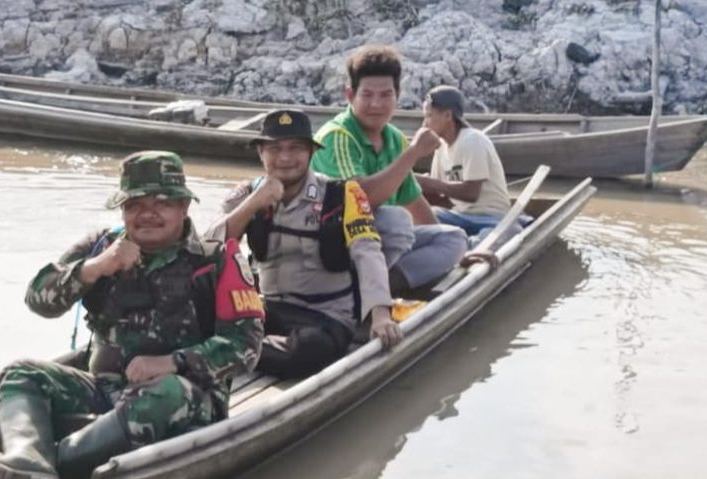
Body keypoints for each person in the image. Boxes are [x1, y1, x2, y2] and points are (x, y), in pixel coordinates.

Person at [0, 151, 264, 479]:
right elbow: (38, 299)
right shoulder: (102, 245)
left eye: (161, 202)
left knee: (164, 394)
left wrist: (173, 362)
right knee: (20, 372)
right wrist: (95, 268)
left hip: (186, 398)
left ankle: (55, 466)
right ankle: (28, 462)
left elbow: (246, 346)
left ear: (183, 207)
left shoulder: (217, 258)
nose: (147, 213)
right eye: (134, 204)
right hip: (104, 390)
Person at [210, 109, 413, 380]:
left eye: (295, 148)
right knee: (199, 320)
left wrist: (380, 315)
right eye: (274, 148)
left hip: (325, 316)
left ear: (311, 152)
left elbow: (368, 253)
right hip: (267, 307)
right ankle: (250, 347)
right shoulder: (247, 194)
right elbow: (207, 248)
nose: (284, 158)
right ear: (260, 153)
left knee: (307, 352)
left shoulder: (343, 194)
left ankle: (237, 350)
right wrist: (254, 203)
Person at [311, 44, 468, 293]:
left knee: (453, 238)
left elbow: (414, 201)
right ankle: (363, 291)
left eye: (385, 95)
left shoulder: (394, 138)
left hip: (378, 242)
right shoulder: (336, 136)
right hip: (335, 241)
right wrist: (414, 153)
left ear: (397, 95)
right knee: (396, 220)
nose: (376, 104)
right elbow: (359, 200)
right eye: (367, 95)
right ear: (350, 96)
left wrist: (457, 259)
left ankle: (381, 286)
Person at [415, 85, 513, 243]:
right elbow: (444, 198)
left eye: (429, 116)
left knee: (486, 241)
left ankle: (467, 249)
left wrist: (427, 183)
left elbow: (471, 194)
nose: (424, 124)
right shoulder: (440, 148)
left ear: (447, 115)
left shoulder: (473, 140)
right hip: (458, 216)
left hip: (490, 218)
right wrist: (414, 191)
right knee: (416, 222)